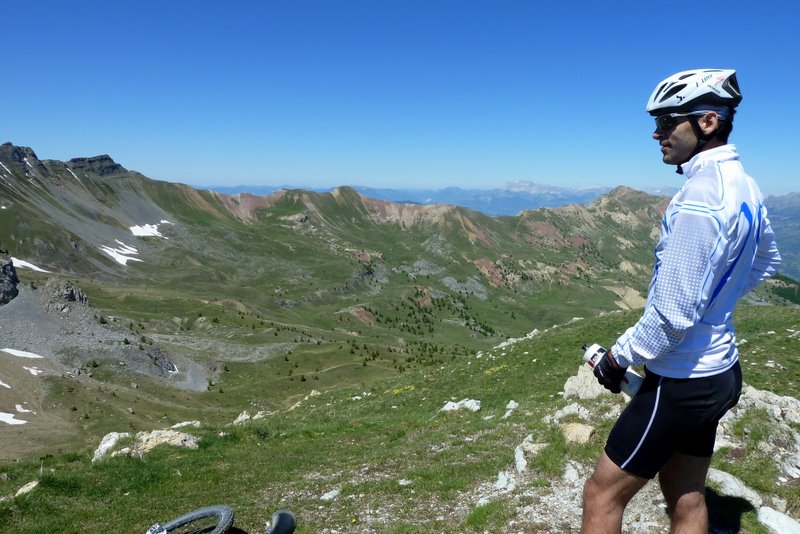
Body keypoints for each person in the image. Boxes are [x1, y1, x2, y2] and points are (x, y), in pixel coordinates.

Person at [581, 68, 782, 533]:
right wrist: (717, 305)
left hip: (681, 380)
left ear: (708, 122)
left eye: (668, 120)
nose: (656, 133)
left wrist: (617, 358)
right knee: (686, 493)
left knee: (602, 494)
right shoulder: (745, 184)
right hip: (721, 372)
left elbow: (670, 317)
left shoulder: (698, 198)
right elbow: (766, 260)